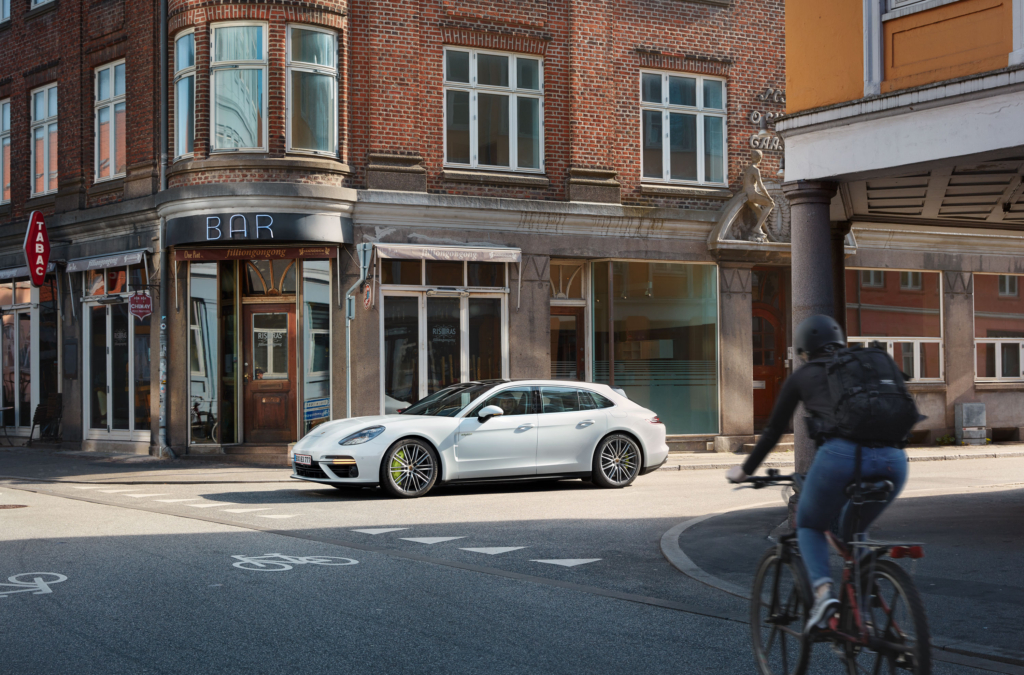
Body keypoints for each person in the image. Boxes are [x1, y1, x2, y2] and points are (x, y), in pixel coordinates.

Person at [725, 315, 909, 632]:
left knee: (810, 524)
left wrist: (744, 470)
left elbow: (772, 432)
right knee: (854, 530)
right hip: (895, 459)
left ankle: (824, 597)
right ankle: (863, 611)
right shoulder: (867, 365)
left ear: (804, 350)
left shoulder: (804, 375)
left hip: (841, 456)